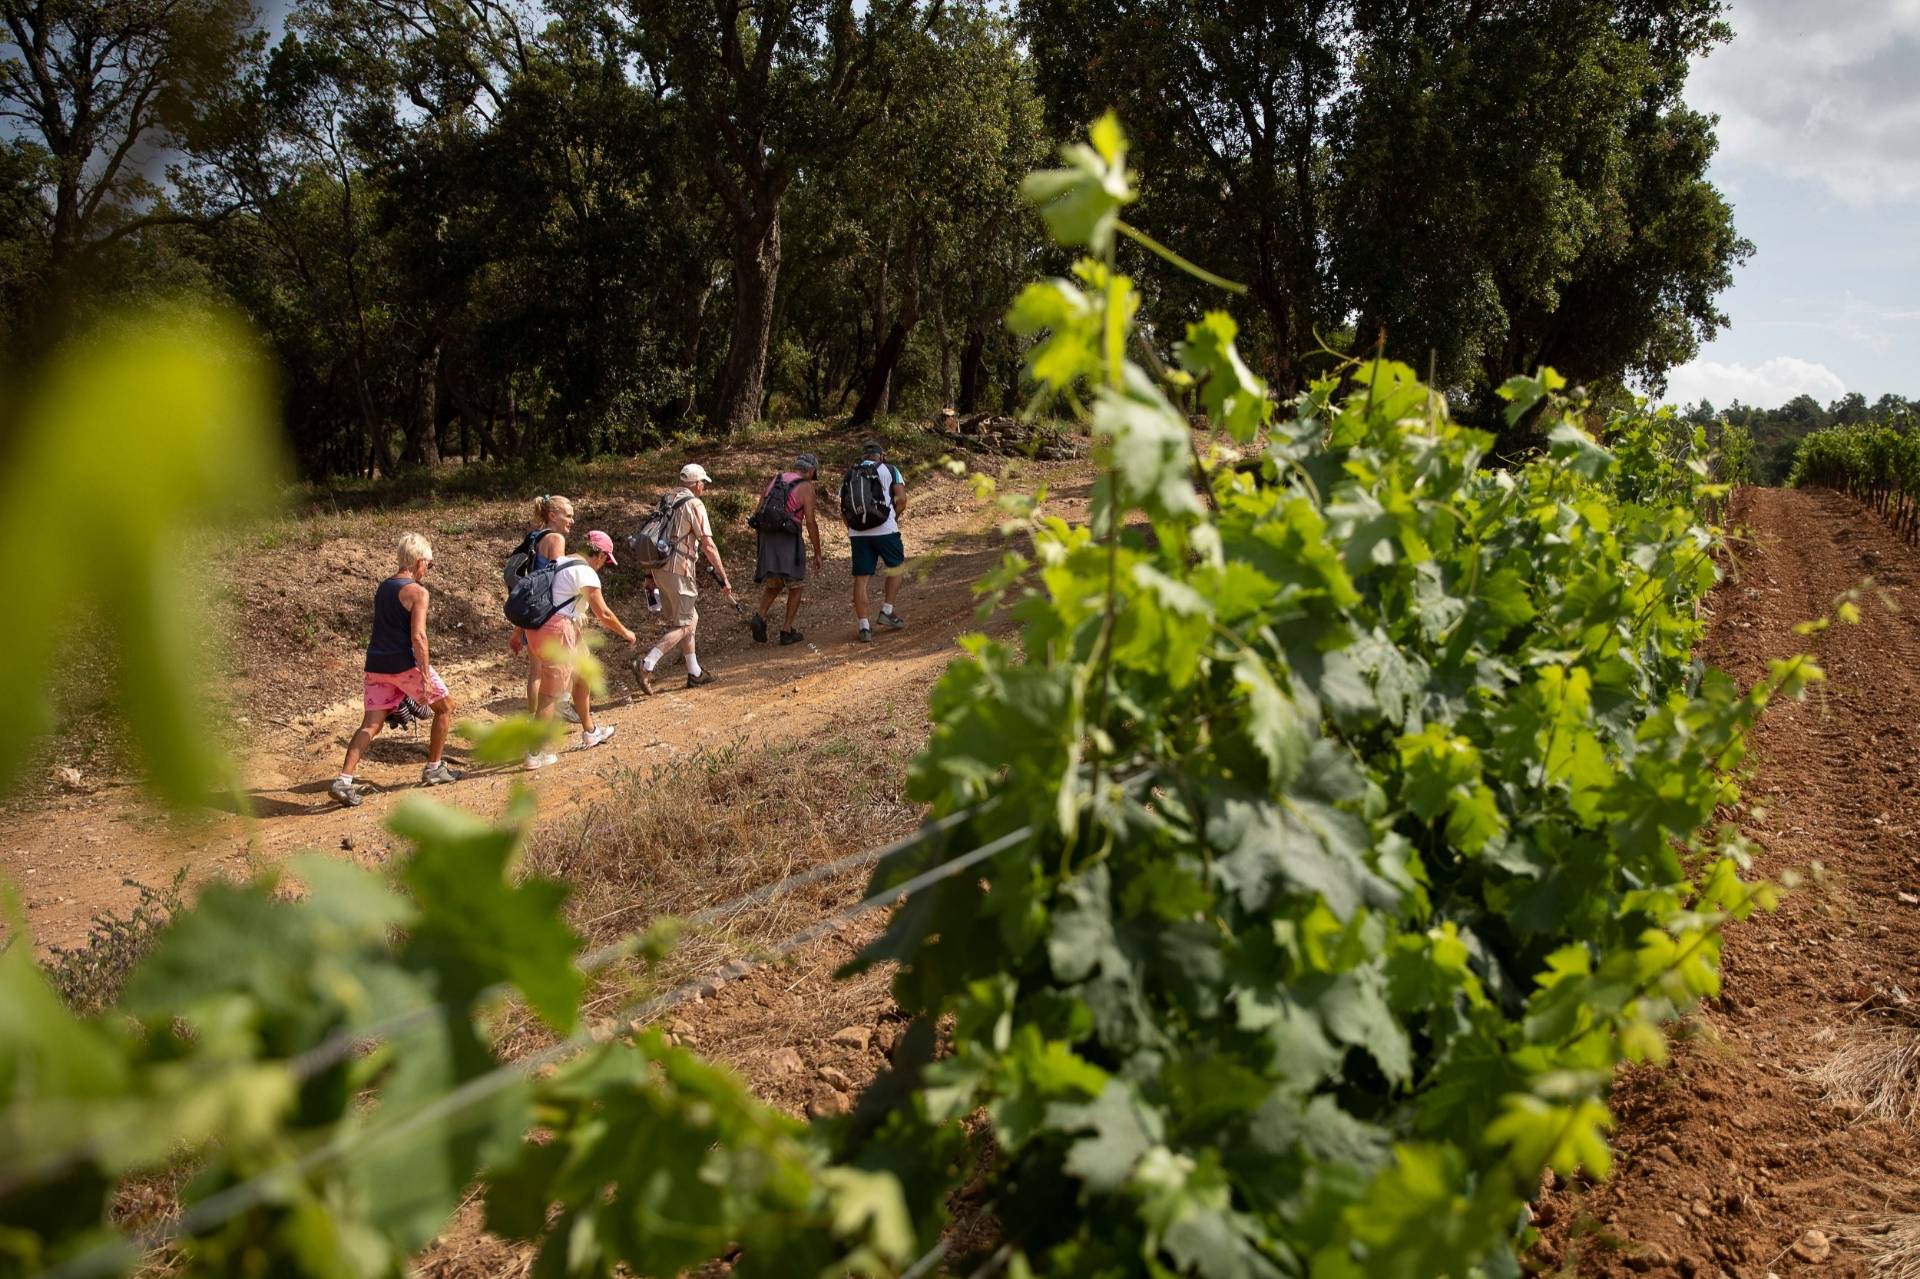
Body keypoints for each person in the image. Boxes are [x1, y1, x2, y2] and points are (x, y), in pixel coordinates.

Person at [331, 533, 459, 806]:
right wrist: (424, 677)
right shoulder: (418, 592)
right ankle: (434, 767)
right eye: (430, 564)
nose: (428, 570)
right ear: (418, 561)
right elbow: (418, 637)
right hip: (404, 664)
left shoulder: (383, 586)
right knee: (445, 707)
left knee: (370, 724)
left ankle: (343, 780)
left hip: (376, 664)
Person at [525, 530, 637, 769]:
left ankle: (590, 731)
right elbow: (603, 613)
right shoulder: (584, 571)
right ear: (599, 554)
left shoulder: (560, 562)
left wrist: (517, 634)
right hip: (557, 631)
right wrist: (626, 632)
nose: (603, 566)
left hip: (541, 629)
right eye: (606, 560)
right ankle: (534, 753)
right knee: (550, 695)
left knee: (583, 673)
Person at [635, 463, 734, 693]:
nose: (704, 488)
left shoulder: (666, 500)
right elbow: (708, 544)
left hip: (659, 568)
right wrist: (722, 575)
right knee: (685, 623)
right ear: (698, 484)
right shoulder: (694, 504)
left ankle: (694, 672)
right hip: (680, 569)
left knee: (689, 618)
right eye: (704, 484)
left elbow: (652, 535)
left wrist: (649, 575)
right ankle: (646, 665)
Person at [749, 452, 825, 646]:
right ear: (810, 471)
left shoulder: (776, 479)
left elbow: (758, 510)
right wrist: (817, 552)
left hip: (767, 536)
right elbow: (810, 522)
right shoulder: (806, 487)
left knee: (774, 582)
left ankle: (760, 616)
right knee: (796, 584)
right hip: (788, 537)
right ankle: (786, 630)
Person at [508, 495, 573, 712]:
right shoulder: (556, 540)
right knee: (558, 666)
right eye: (568, 515)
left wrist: (518, 629)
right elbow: (559, 577)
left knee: (535, 671)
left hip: (530, 609)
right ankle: (553, 714)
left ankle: (532, 721)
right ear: (553, 516)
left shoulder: (534, 537)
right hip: (546, 612)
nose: (572, 521)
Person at [844, 438, 907, 642]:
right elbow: (902, 499)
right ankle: (887, 611)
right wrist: (893, 518)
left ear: (863, 456)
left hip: (858, 533)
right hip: (885, 529)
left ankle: (864, 627)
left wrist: (854, 528)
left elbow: (843, 508)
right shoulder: (890, 469)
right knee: (896, 567)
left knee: (861, 579)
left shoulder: (850, 473)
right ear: (881, 455)